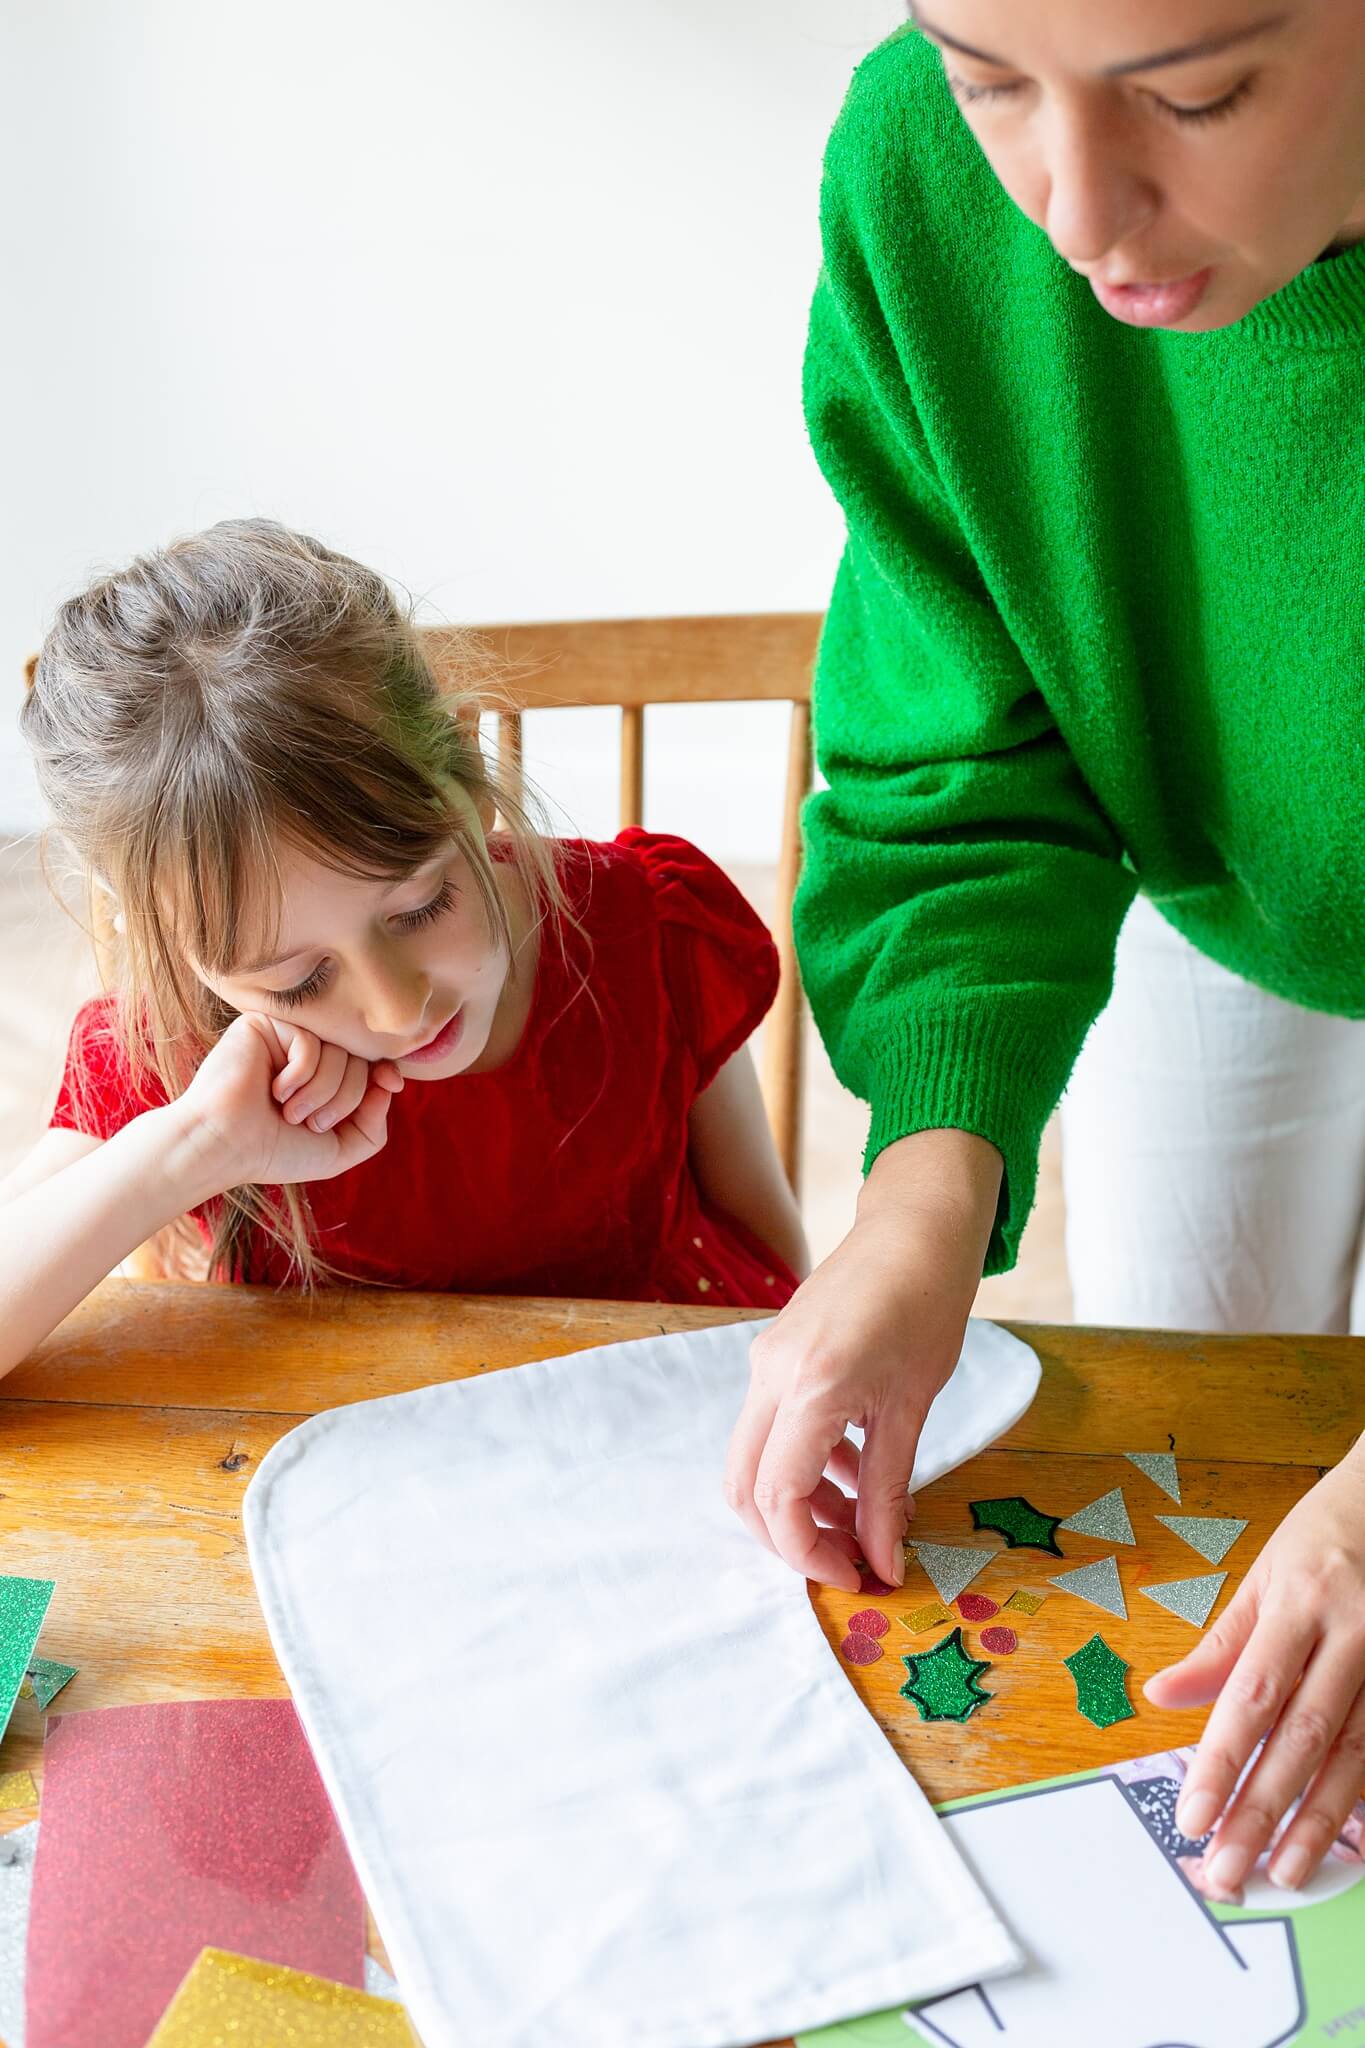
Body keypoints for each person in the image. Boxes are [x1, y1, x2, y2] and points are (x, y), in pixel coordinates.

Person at [724, 0, 1365, 1897]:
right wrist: (922, 1199)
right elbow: (963, 733)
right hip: (1223, 889)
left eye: (1197, 91)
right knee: (1203, 1422)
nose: (1077, 212)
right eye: (990, 76)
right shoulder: (919, 174)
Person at [2, 518, 807, 1375]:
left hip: (655, 1400)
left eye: (422, 907)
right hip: (337, 1450)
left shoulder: (647, 929)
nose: (399, 1007)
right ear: (167, 943)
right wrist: (196, 1148)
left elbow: (776, 1264)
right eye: (300, 978)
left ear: (465, 771)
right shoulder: (174, 1054)